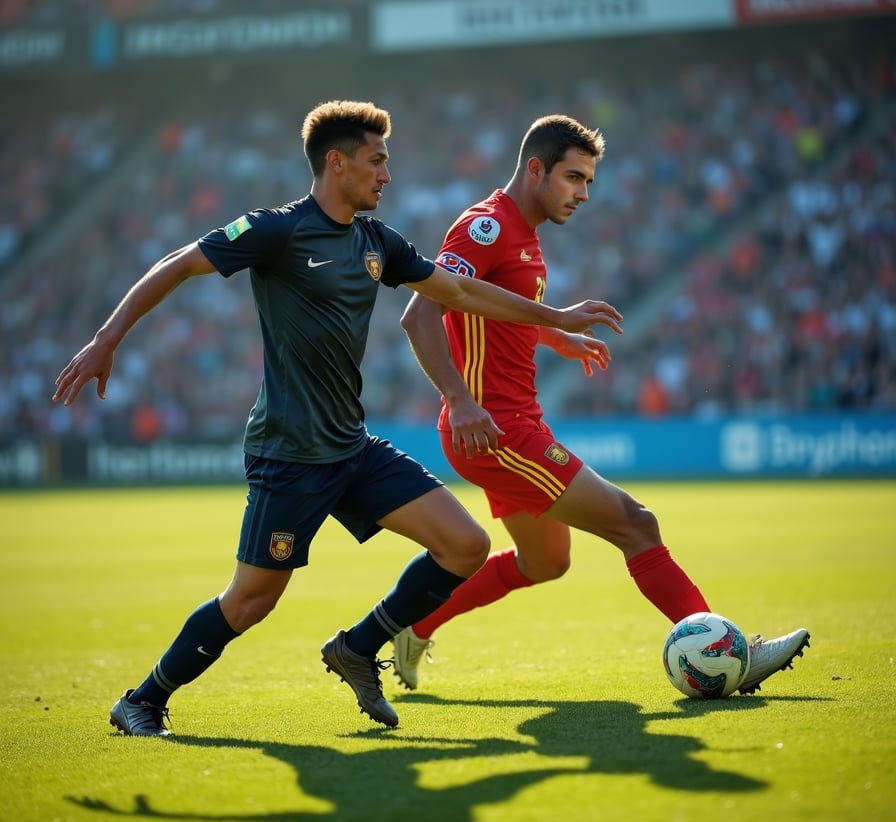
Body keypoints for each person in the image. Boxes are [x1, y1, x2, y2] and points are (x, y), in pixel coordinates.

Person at [52, 101, 625, 735]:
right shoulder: (277, 230)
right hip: (290, 454)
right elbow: (180, 264)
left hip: (351, 448)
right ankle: (144, 698)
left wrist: (556, 318)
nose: (387, 175)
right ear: (337, 162)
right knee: (251, 600)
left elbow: (457, 292)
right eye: (376, 162)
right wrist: (107, 338)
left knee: (465, 544)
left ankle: (357, 647)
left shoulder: (379, 242)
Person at [396, 114, 810, 694]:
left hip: (502, 426)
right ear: (535, 169)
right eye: (573, 178)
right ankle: (728, 654)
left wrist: (550, 335)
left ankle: (411, 625)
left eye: (589, 181)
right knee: (636, 524)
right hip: (496, 430)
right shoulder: (488, 227)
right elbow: (421, 313)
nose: (584, 194)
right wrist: (460, 399)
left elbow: (489, 305)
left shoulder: (522, 232)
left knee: (545, 562)